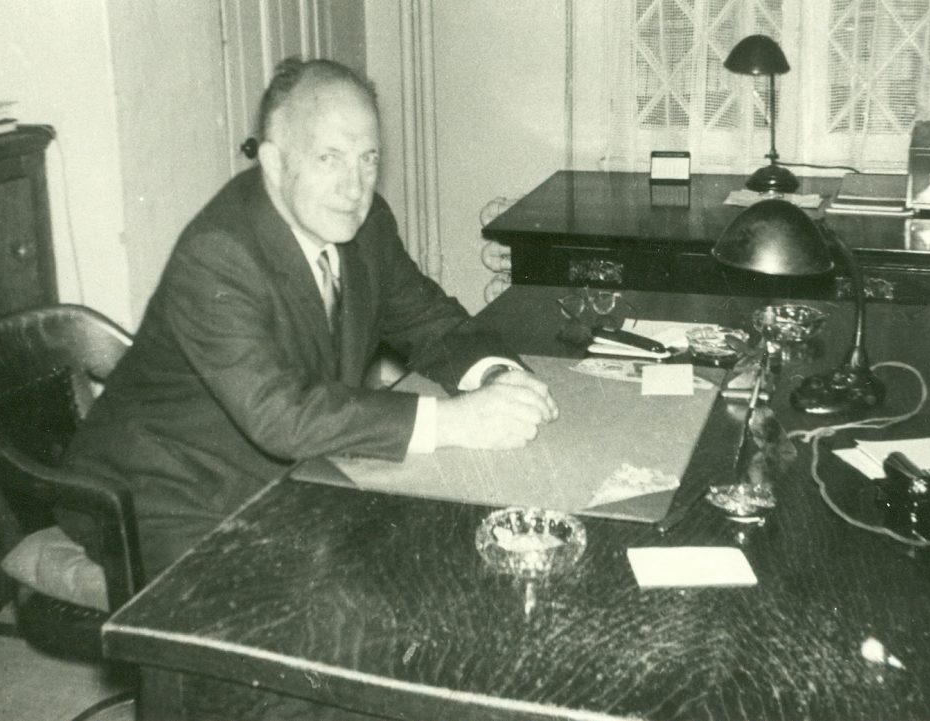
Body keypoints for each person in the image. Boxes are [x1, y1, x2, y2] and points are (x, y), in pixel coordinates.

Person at [61, 57, 558, 579]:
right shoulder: (218, 253)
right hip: (165, 492)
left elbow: (435, 323)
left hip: (288, 470)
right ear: (274, 164)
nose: (355, 187)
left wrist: (498, 378)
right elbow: (281, 416)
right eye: (330, 158)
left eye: (368, 158)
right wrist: (457, 420)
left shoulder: (365, 226)